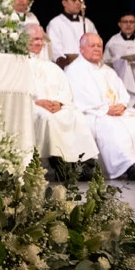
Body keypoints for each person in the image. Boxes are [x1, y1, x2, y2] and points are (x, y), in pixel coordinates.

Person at [64, 33, 135, 180]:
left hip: (114, 110)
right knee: (111, 124)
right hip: (92, 114)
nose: (96, 49)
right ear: (81, 49)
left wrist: (122, 105)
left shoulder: (107, 70)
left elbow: (122, 92)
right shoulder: (75, 70)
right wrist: (105, 109)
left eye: (99, 46)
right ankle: (128, 166)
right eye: (92, 46)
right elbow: (79, 99)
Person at [24, 24, 99, 181]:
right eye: (35, 39)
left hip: (55, 106)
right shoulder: (18, 65)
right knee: (48, 119)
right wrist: (37, 102)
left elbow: (65, 91)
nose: (38, 43)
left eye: (40, 39)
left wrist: (59, 103)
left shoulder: (51, 66)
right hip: (33, 107)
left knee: (75, 115)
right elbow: (19, 91)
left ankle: (82, 161)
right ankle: (60, 164)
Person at [46, 0, 98, 68]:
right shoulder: (55, 23)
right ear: (64, 3)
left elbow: (96, 43)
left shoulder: (87, 23)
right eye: (74, 0)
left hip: (88, 66)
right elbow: (54, 49)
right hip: (67, 68)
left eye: (79, 0)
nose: (78, 3)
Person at [102, 12, 135, 109]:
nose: (128, 24)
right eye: (125, 22)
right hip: (121, 77)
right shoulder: (113, 41)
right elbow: (105, 62)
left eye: (131, 22)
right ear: (119, 24)